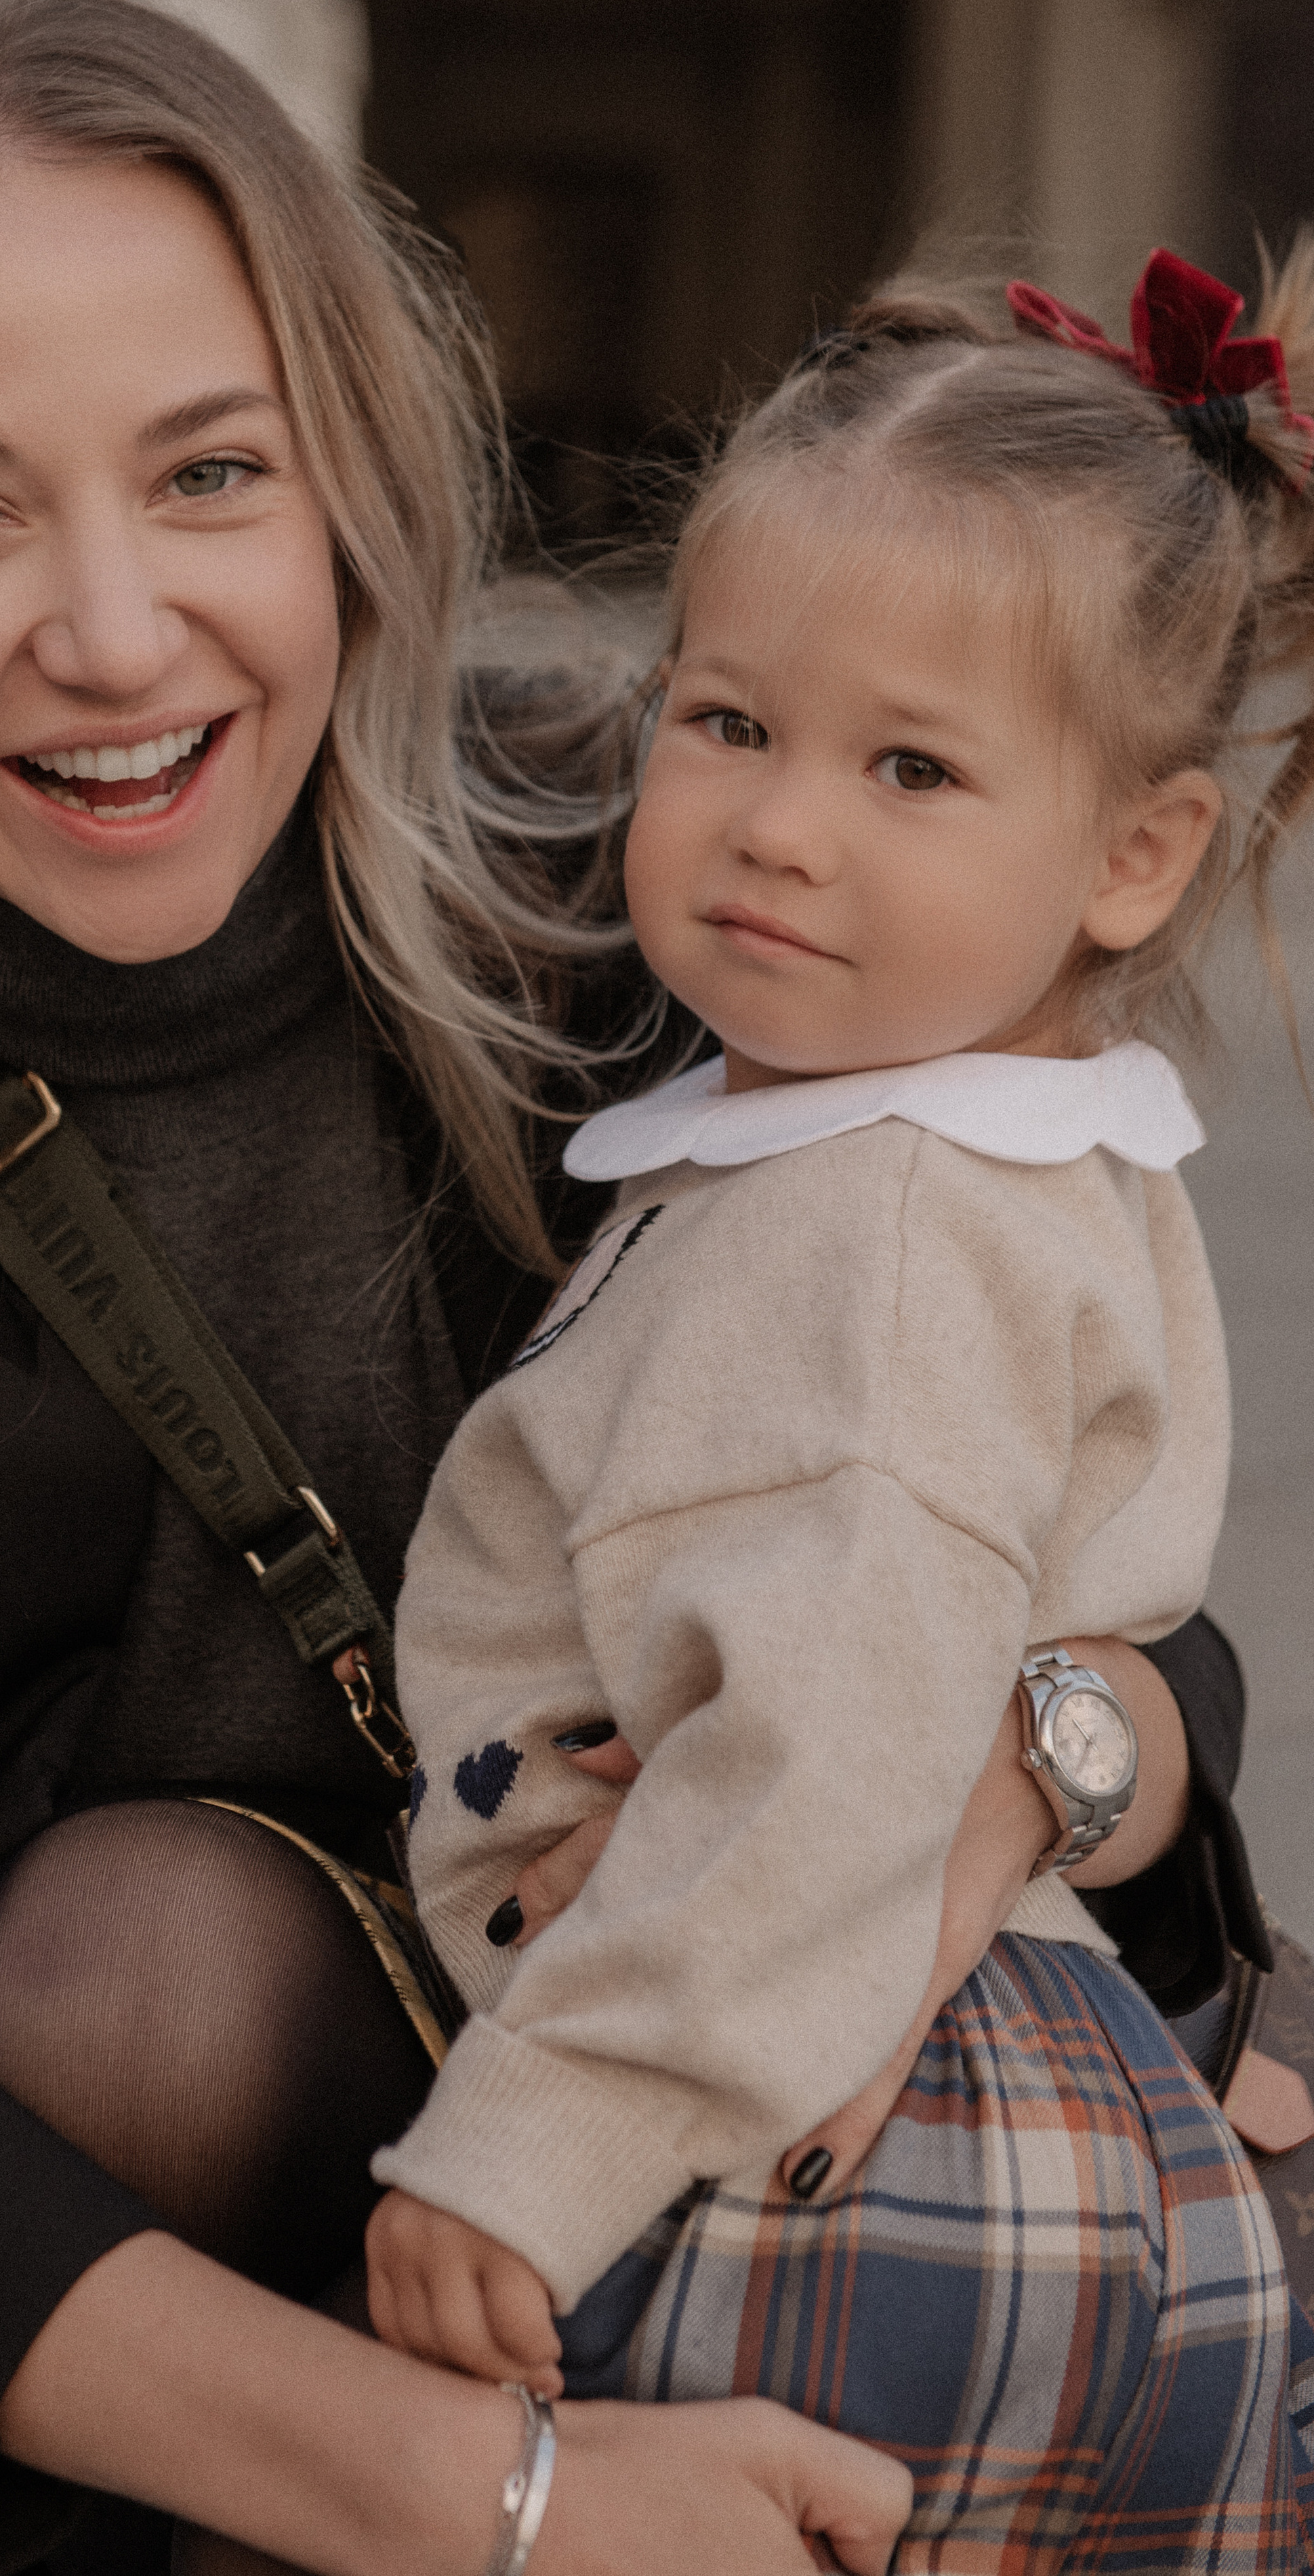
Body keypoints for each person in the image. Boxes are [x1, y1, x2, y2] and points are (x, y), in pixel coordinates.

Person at [0, 0, 1265, 2572]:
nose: (119, 632)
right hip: (246, 2284)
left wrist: (1029, 1777)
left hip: (771, 2102)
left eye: (209, 471)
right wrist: (501, 2493)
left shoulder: (670, 881)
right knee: (113, 1965)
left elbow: (1084, 1528)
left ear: (350, 488)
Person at [367, 249, 1314, 2562]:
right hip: (1069, 2100)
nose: (785, 825)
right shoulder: (984, 1142)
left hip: (861, 2134)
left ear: (1136, 853)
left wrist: (536, 2139)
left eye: (910, 765)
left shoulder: (868, 1228)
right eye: (727, 724)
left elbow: (827, 1751)